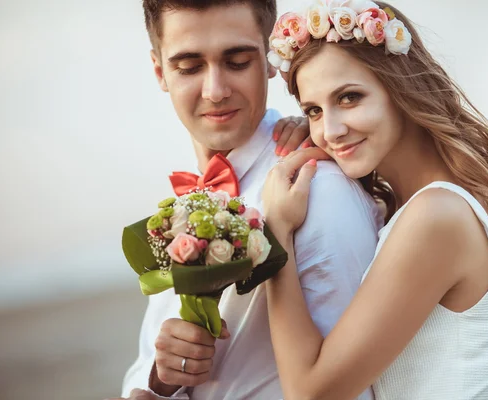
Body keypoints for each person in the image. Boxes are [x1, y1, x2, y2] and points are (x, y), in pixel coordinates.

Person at [261, 1, 488, 399]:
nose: (331, 130)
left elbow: (310, 393)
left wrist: (276, 232)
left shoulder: (436, 216)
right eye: (314, 111)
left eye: (350, 97)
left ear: (401, 88)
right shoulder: (425, 209)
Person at [116, 1, 383, 399]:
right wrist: (161, 380)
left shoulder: (317, 189)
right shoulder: (183, 204)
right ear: (160, 72)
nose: (215, 91)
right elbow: (141, 380)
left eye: (237, 61)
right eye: (188, 67)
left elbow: (352, 386)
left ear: (272, 57)